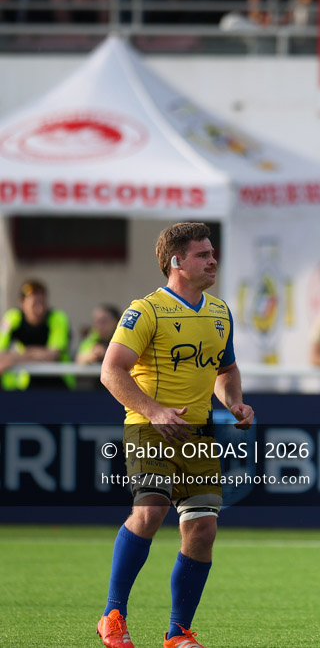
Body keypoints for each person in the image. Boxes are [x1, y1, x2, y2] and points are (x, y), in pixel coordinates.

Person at [96, 222, 255, 648]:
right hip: (149, 428)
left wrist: (235, 403)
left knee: (202, 530)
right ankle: (112, 615)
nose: (213, 261)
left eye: (212, 253)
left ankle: (177, 633)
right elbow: (111, 370)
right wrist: (154, 410)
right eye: (203, 255)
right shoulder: (146, 310)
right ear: (176, 261)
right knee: (150, 511)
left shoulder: (219, 312)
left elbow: (226, 370)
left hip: (198, 435)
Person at [0, 278, 74, 390]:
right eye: (34, 304)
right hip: (25, 385)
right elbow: (1, 355)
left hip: (58, 384)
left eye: (42, 303)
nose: (40, 309)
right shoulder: (12, 318)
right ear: (22, 303)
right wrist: (38, 353)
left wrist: (14, 357)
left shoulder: (58, 318)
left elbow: (51, 356)